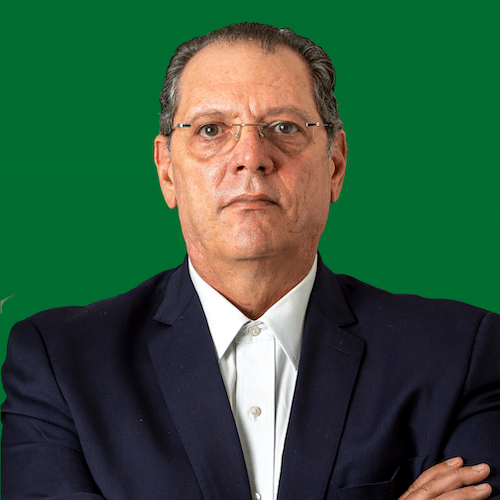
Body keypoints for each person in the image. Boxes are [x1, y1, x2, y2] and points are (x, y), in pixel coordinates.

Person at [1, 22, 499, 500]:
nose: (251, 156)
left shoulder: (462, 355)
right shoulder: (59, 364)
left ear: (335, 164)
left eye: (284, 127)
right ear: (167, 171)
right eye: (211, 129)